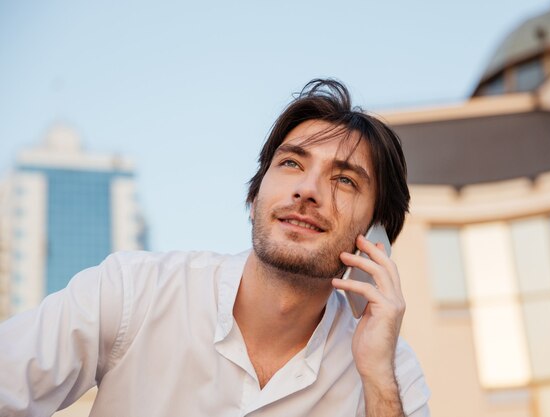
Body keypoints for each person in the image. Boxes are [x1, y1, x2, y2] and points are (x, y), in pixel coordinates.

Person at [0, 79, 430, 417]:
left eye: (344, 180)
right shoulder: (132, 292)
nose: (307, 190)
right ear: (254, 197)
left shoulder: (389, 369)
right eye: (291, 163)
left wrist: (376, 377)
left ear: (377, 235)